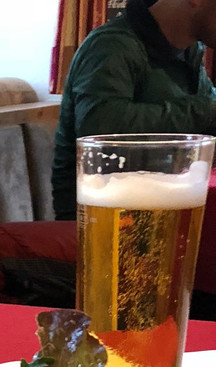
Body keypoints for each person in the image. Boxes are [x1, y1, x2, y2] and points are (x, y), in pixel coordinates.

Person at [51, 0, 216, 220]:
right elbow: (102, 131)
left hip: (161, 206)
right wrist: (207, 110)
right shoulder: (111, 46)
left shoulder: (190, 51)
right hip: (98, 218)